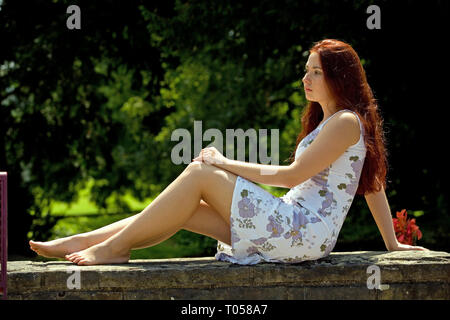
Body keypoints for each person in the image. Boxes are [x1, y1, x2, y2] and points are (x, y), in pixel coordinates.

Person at [29, 39, 427, 266]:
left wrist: (221, 162)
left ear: (338, 76)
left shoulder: (345, 122)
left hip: (301, 231)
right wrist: (391, 244)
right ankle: (81, 241)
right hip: (293, 229)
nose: (305, 78)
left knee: (201, 173)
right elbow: (373, 184)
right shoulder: (333, 122)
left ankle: (114, 249)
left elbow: (290, 176)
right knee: (182, 208)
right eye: (306, 70)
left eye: (316, 71)